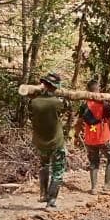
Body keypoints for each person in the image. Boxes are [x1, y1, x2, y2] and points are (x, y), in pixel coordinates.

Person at [74, 78, 110, 194]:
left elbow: (79, 122)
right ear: (98, 89)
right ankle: (107, 186)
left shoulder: (84, 106)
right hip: (103, 137)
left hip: (89, 139)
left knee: (94, 162)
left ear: (87, 91)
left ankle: (94, 188)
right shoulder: (104, 104)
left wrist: (76, 134)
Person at [28, 71, 66, 208]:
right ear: (55, 87)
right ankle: (51, 200)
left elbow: (30, 114)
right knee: (58, 169)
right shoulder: (58, 103)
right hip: (56, 142)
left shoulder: (34, 102)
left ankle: (43, 194)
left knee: (44, 166)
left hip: (40, 142)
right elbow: (65, 110)